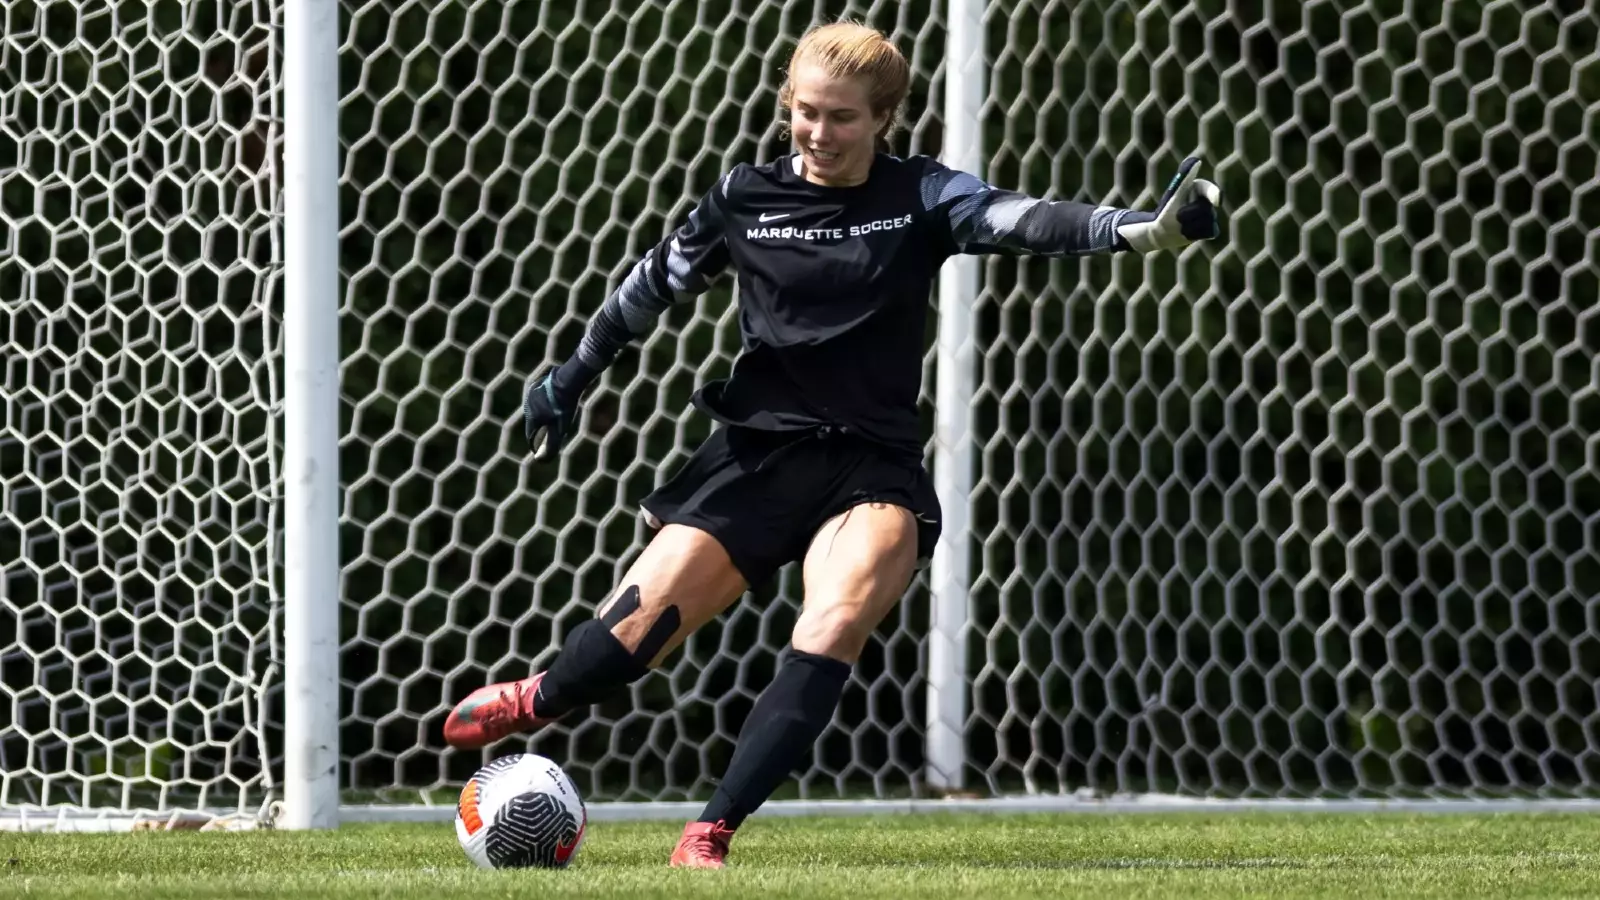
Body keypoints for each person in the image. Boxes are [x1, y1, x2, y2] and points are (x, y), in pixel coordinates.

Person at [444, 20, 1223, 867]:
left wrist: (1140, 230)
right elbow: (650, 286)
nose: (819, 133)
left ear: (884, 118)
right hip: (757, 456)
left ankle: (711, 832)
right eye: (806, 113)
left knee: (837, 617)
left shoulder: (921, 195)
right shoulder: (746, 197)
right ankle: (542, 696)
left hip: (871, 467)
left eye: (843, 118)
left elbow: (1021, 218)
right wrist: (571, 374)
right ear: (788, 106)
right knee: (623, 646)